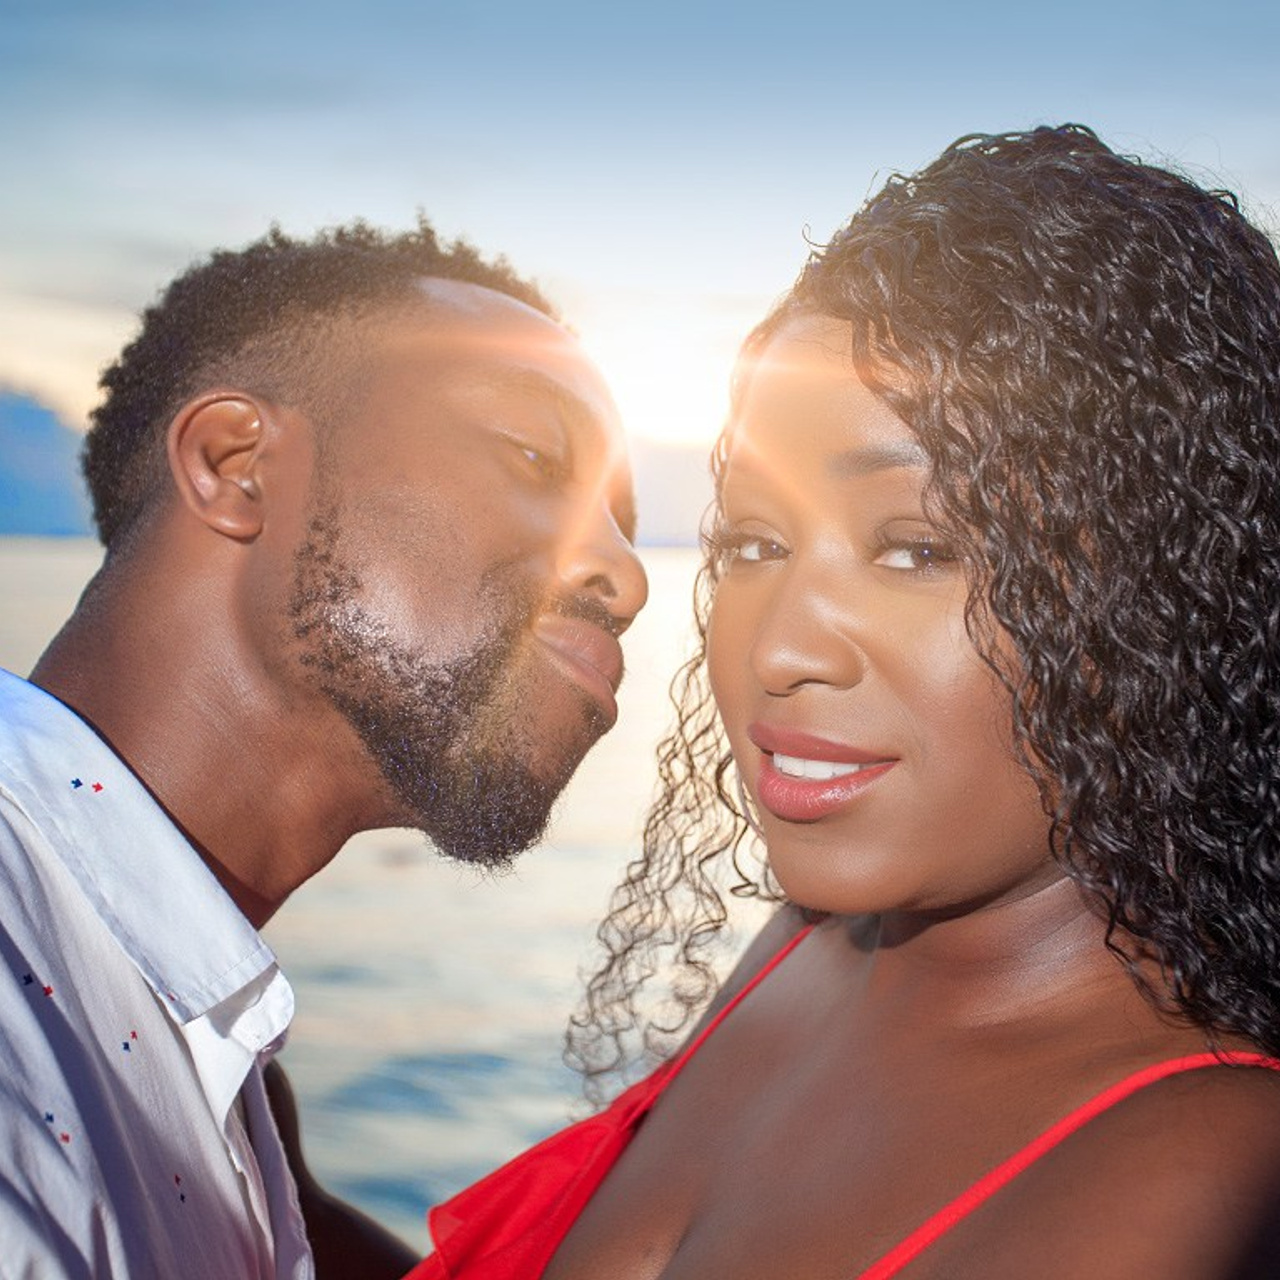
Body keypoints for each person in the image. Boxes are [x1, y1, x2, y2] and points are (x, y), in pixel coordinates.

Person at [399, 126, 1280, 1278]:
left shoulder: (1199, 1179)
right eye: (754, 539)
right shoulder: (813, 945)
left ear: (1161, 597)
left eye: (914, 548)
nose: (780, 644)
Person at [0, 219, 648, 1279]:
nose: (626, 578)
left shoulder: (207, 1072)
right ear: (235, 464)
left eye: (625, 523)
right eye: (535, 456)